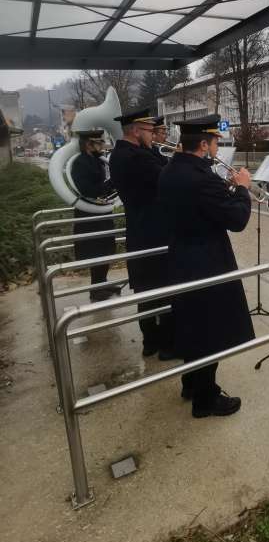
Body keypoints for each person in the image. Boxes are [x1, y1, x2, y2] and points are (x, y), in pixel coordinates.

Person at [158, 114, 253, 418]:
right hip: (207, 262)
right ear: (203, 144)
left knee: (192, 326)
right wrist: (241, 189)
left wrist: (222, 190)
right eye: (214, 142)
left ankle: (191, 384)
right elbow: (237, 220)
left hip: (180, 257)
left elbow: (200, 206)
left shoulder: (171, 170)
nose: (217, 148)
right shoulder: (202, 178)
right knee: (210, 331)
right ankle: (206, 399)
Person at [108, 108, 177, 360]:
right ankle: (168, 346)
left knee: (146, 291)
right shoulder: (136, 157)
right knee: (163, 289)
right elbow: (167, 176)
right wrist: (181, 158)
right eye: (149, 130)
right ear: (135, 130)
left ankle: (151, 342)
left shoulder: (124, 153)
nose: (153, 134)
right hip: (153, 231)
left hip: (139, 230)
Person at [72, 129, 121, 302]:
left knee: (106, 249)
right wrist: (110, 184)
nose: (102, 145)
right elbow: (87, 190)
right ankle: (96, 289)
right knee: (96, 251)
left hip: (102, 211)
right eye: (98, 142)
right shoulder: (80, 163)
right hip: (89, 214)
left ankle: (102, 283)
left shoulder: (97, 161)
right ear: (88, 144)